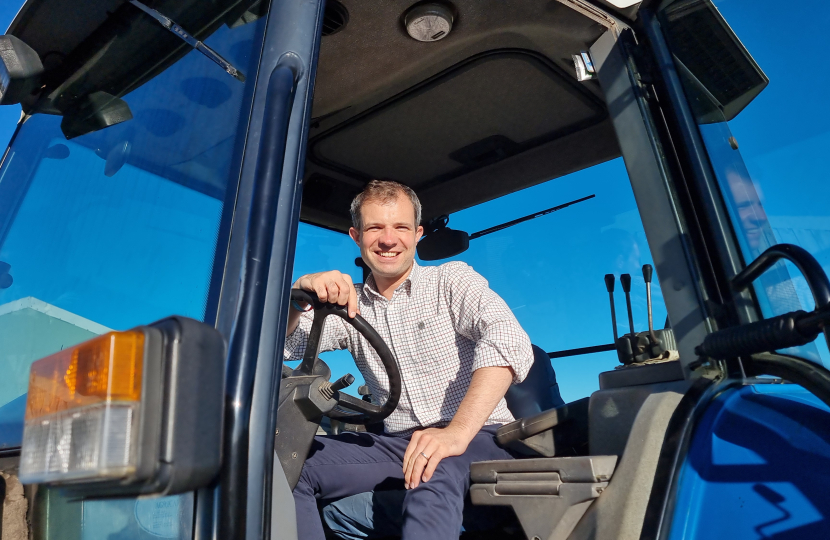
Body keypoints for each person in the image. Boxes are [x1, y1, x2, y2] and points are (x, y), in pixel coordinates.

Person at [285, 180, 534, 540]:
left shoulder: (451, 280)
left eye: (400, 227)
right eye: (375, 228)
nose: (389, 239)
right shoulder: (347, 307)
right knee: (291, 466)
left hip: (481, 435)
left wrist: (455, 434)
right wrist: (298, 298)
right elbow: (285, 347)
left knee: (431, 472)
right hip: (398, 442)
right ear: (356, 235)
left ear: (417, 233)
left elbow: (508, 339)